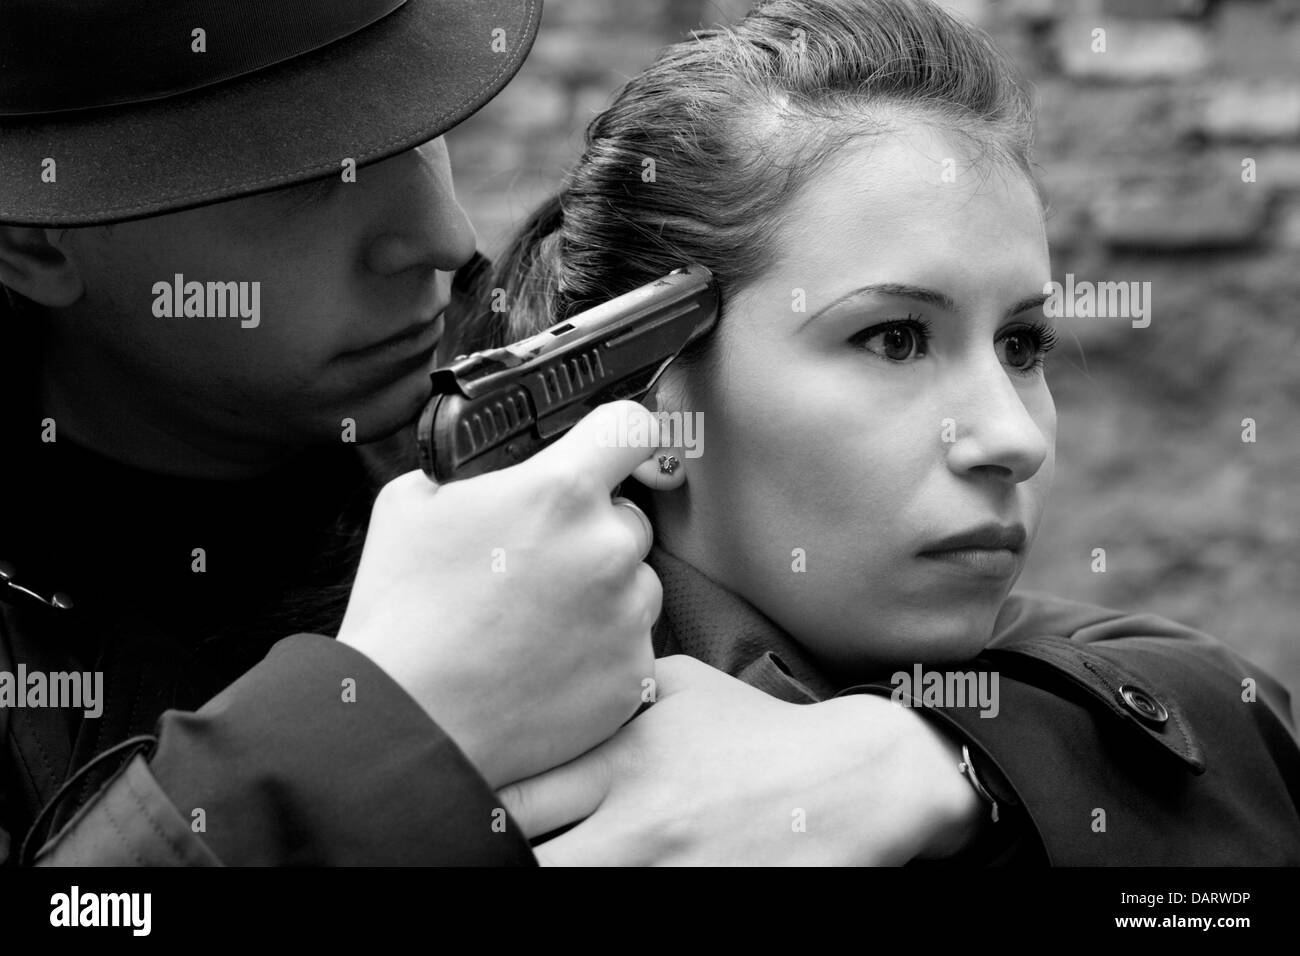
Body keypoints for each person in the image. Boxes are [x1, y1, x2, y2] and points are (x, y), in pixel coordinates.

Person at [0, 0, 1018, 868]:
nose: (444, 237)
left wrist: (933, 756)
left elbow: (1119, 673)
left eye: (420, 133)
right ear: (36, 241)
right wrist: (365, 729)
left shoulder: (527, 404)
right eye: (314, 180)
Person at [473, 0, 1300, 864]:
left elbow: (1228, 723)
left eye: (1022, 344)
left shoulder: (1049, 681)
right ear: (659, 412)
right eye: (894, 339)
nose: (1013, 437)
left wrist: (933, 758)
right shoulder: (493, 778)